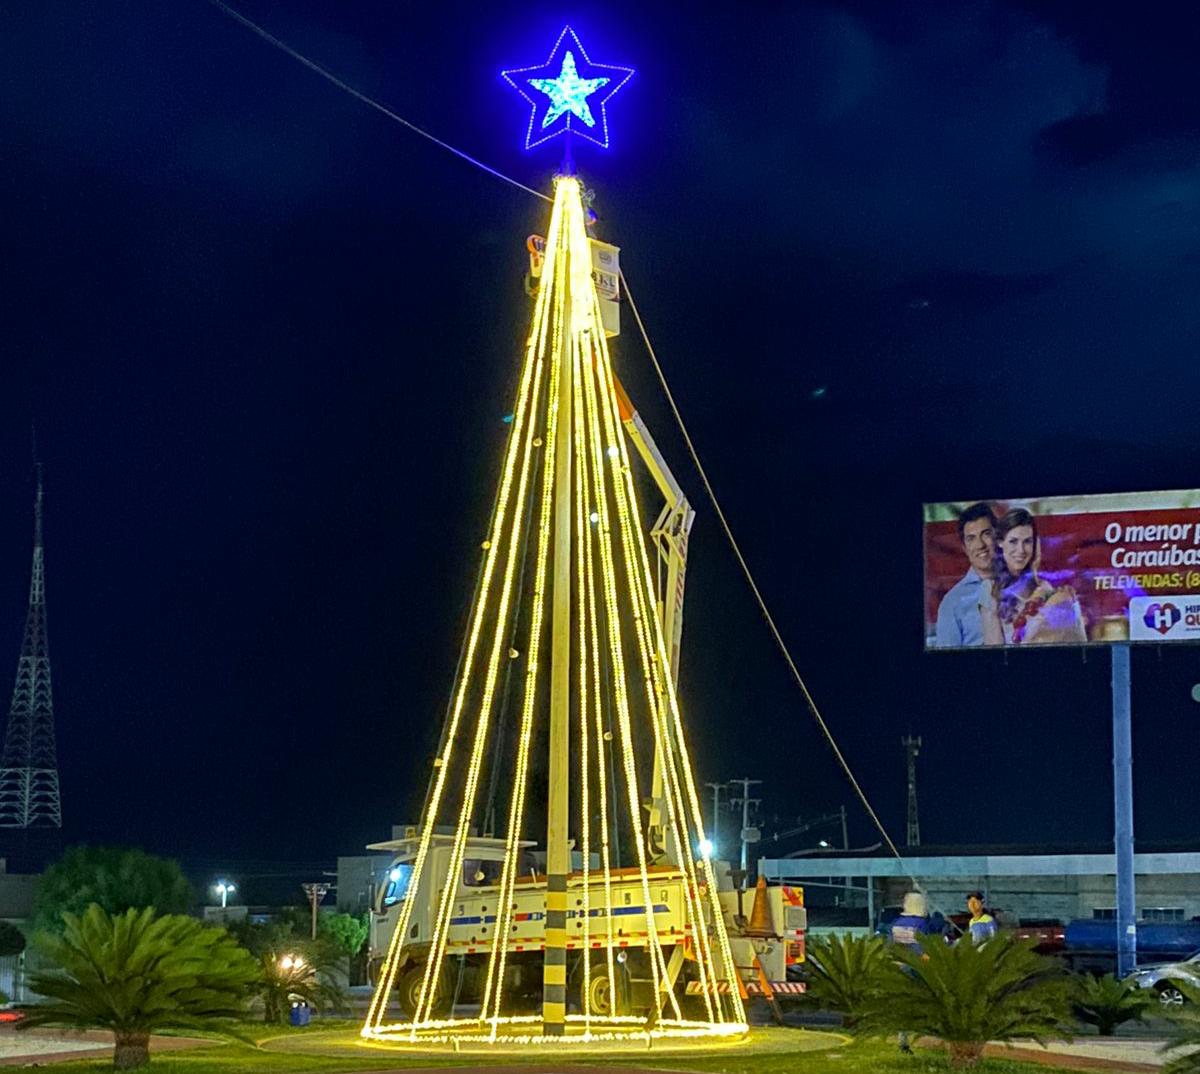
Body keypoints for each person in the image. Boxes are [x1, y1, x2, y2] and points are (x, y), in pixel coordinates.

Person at [980, 508, 1087, 646]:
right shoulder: (990, 589)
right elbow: (993, 650)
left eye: (1027, 542)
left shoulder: (1045, 589)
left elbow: (1072, 640)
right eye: (1013, 541)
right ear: (1001, 543)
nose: (1021, 550)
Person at [934, 503, 998, 648]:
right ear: (964, 548)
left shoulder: (1018, 584)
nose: (980, 545)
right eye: (971, 538)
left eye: (986, 534)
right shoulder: (952, 603)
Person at [890, 891, 932, 1053]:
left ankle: (902, 1038)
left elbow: (891, 944)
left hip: (897, 965)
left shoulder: (896, 922)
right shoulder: (921, 923)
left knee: (902, 1003)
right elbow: (923, 945)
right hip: (915, 967)